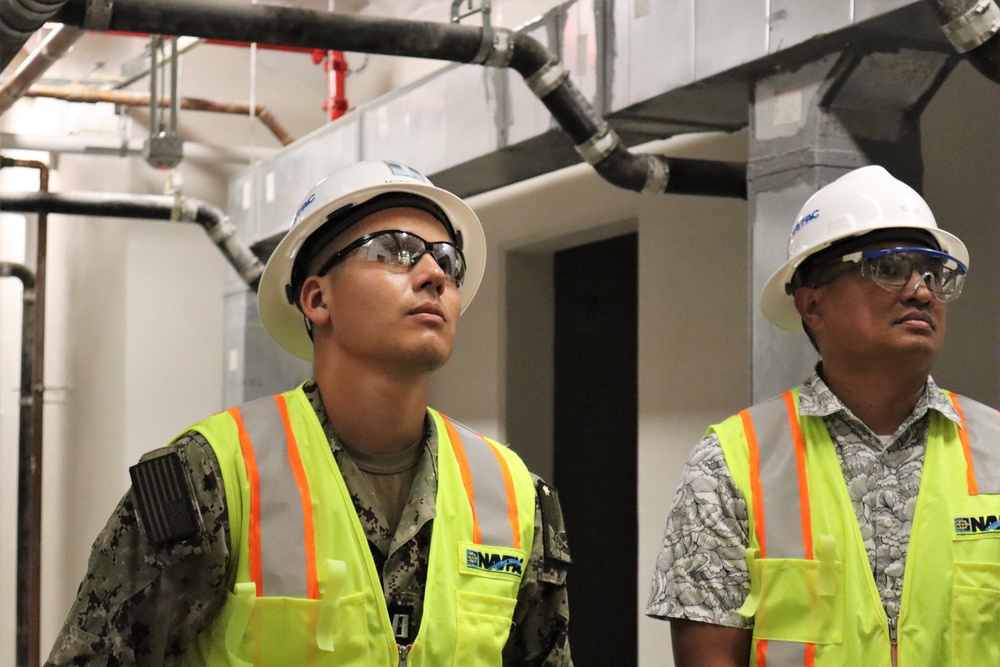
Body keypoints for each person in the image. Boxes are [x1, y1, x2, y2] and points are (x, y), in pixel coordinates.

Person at [46, 160, 573, 666]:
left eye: (447, 259)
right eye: (395, 250)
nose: (435, 273)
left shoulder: (516, 495)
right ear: (318, 299)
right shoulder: (205, 477)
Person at [646, 164, 1000, 666]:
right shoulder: (731, 462)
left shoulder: (997, 451)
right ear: (813, 305)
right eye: (888, 267)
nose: (921, 291)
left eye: (932, 273)